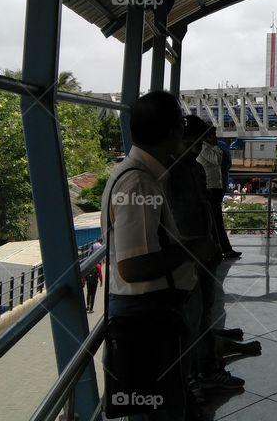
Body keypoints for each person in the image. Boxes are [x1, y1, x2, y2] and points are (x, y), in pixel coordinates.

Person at [101, 91, 207, 421]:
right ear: (174, 131)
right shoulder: (138, 184)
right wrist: (192, 249)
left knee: (160, 404)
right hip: (148, 314)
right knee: (160, 409)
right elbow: (133, 267)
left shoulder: (135, 175)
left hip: (146, 313)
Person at [172, 116, 244, 402]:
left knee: (204, 308)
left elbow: (202, 209)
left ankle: (205, 366)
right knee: (194, 314)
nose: (197, 147)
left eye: (200, 141)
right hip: (188, 255)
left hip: (202, 251)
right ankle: (200, 375)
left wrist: (211, 244)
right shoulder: (174, 171)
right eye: (194, 141)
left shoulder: (192, 168)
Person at [198, 126, 241, 260]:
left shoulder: (210, 147)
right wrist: (217, 147)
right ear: (207, 136)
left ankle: (222, 249)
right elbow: (218, 160)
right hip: (211, 188)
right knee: (215, 221)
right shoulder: (205, 148)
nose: (215, 137)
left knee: (216, 221)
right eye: (213, 134)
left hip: (216, 187)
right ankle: (221, 250)